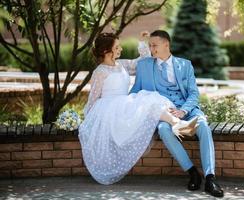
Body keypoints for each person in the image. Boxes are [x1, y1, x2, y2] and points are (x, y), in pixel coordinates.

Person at [78, 32, 198, 185]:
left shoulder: (121, 64)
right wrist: (88, 119)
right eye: (117, 47)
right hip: (110, 108)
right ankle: (180, 125)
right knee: (149, 102)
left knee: (151, 99)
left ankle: (178, 124)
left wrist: (142, 42)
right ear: (105, 51)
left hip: (124, 103)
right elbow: (93, 98)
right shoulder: (99, 72)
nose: (120, 48)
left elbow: (141, 61)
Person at [130, 30, 224, 197]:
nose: (151, 49)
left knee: (203, 126)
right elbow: (135, 92)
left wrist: (184, 110)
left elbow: (194, 93)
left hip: (187, 109)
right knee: (164, 129)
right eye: (150, 45)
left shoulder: (185, 65)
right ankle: (192, 172)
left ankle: (210, 178)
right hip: (165, 113)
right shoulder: (144, 66)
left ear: (166, 45)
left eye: (154, 45)